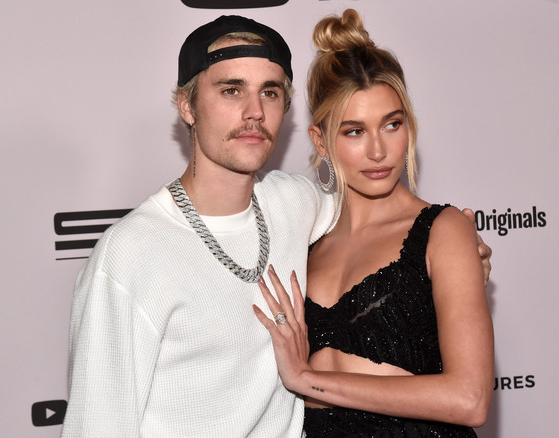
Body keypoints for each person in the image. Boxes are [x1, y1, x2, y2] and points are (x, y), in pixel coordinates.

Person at [62, 14, 491, 437]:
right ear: (187, 105)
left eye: (269, 92)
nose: (253, 112)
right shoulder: (131, 254)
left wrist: (458, 258)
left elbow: (383, 224)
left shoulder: (294, 205)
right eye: (231, 90)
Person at [254, 9, 494, 438]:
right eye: (353, 131)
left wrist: (308, 380)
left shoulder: (443, 230)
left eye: (392, 124)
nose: (379, 151)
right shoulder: (304, 243)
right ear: (320, 141)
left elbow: (470, 399)